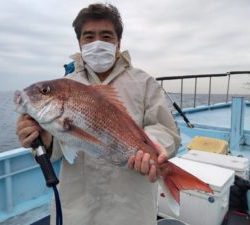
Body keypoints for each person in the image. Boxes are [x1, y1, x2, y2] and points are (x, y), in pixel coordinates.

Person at [16, 3, 181, 225]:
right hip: (78, 209)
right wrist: (46, 141)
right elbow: (60, 150)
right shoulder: (67, 85)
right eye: (89, 36)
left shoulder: (144, 82)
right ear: (80, 42)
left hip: (131, 209)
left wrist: (153, 147)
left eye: (106, 36)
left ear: (118, 42)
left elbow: (165, 129)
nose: (97, 43)